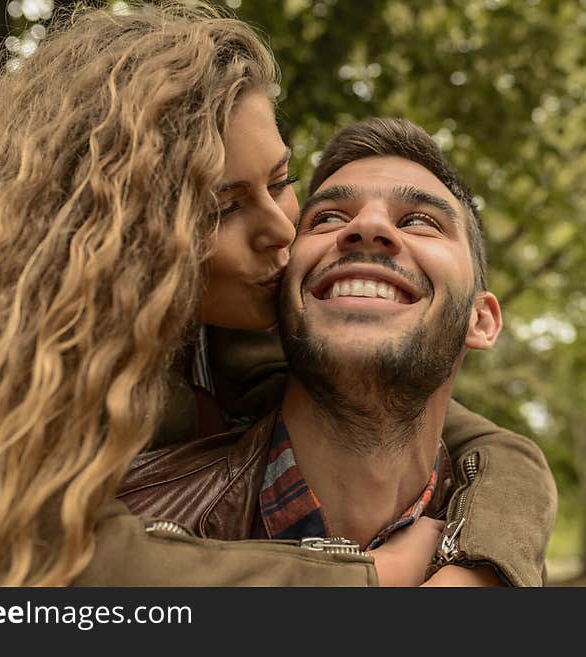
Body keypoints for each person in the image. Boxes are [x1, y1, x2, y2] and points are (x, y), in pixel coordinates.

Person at [119, 118, 558, 586]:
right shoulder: (119, 530)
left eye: (420, 222)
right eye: (327, 218)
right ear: (279, 290)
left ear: (481, 320)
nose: (368, 226)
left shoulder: (498, 557)